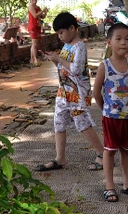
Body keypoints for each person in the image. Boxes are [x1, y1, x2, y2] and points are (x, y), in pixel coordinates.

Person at [35, 12, 105, 173]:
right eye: (58, 33)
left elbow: (76, 69)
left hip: (78, 92)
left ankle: (102, 154)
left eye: (61, 32)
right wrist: (55, 60)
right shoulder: (66, 45)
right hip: (64, 91)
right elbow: (63, 67)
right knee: (59, 122)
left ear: (72, 28)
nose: (60, 36)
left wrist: (59, 59)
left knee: (82, 123)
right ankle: (60, 158)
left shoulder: (79, 46)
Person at [92, 23, 128, 202]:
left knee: (126, 150)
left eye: (127, 39)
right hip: (111, 118)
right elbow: (96, 92)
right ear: (109, 42)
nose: (123, 42)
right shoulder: (105, 66)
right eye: (119, 39)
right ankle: (109, 186)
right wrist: (105, 109)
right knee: (109, 150)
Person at [27, 0, 48, 65]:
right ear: (30, 0)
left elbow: (42, 16)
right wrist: (43, 10)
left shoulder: (38, 7)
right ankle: (35, 60)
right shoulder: (30, 6)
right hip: (33, 27)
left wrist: (45, 12)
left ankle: (32, 60)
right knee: (34, 44)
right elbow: (35, 15)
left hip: (38, 27)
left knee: (34, 44)